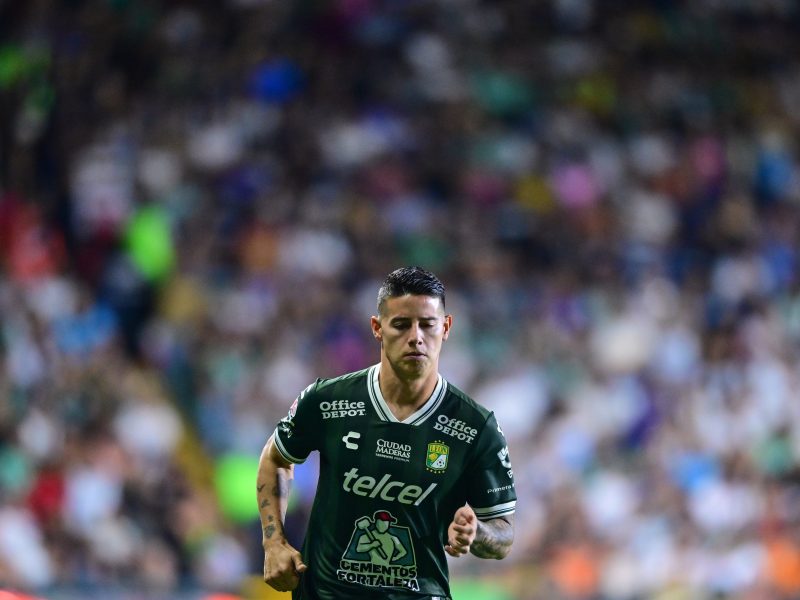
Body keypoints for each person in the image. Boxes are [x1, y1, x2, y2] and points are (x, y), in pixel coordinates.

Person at [257, 266, 516, 599]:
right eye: (401, 324)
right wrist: (273, 543)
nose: (416, 336)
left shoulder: (475, 427)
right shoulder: (328, 400)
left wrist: (477, 532)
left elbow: (503, 535)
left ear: (446, 327)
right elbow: (276, 458)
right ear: (377, 328)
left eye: (427, 324)